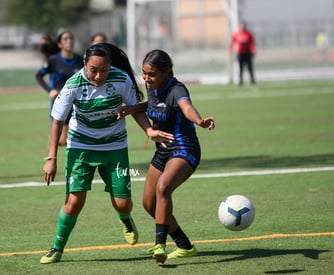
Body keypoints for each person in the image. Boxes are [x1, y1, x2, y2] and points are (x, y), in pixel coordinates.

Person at [40, 43, 175, 264]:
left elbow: (133, 109)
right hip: (80, 148)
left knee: (123, 204)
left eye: (103, 70)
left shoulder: (121, 79)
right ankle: (57, 248)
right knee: (74, 202)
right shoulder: (73, 84)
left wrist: (149, 130)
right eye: (93, 70)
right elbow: (57, 122)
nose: (98, 75)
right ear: (84, 64)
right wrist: (51, 159)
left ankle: (125, 219)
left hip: (115, 148)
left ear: (110, 66)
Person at [120, 49, 215, 264]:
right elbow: (154, 106)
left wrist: (199, 121)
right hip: (163, 151)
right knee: (148, 203)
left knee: (163, 188)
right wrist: (133, 108)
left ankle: (159, 245)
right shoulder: (152, 87)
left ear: (166, 73)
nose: (146, 78)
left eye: (151, 74)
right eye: (144, 73)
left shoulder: (177, 89)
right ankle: (184, 246)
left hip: (184, 149)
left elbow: (186, 107)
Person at [35, 31, 84, 145]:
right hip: (58, 101)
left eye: (71, 38)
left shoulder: (81, 60)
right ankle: (51, 159)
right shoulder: (53, 60)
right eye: (66, 39)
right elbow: (39, 75)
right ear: (60, 44)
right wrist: (50, 90)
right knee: (60, 139)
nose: (70, 41)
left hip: (77, 103)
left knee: (74, 138)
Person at [229, 20, 256, 89]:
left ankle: (253, 84)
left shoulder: (248, 34)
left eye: (243, 25)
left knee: (250, 69)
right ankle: (241, 84)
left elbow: (252, 43)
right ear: (239, 26)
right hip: (240, 54)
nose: (242, 26)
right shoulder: (236, 34)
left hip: (248, 54)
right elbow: (232, 44)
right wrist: (231, 53)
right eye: (241, 25)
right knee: (241, 70)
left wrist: (253, 51)